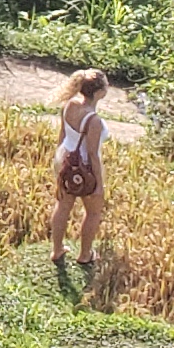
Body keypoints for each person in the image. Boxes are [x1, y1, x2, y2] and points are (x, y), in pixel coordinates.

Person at [49, 69, 112, 286]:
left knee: (62, 206)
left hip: (65, 161)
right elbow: (93, 154)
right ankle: (85, 254)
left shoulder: (70, 105)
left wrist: (58, 164)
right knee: (93, 211)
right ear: (100, 92)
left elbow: (62, 135)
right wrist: (99, 185)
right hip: (84, 169)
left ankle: (57, 250)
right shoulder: (93, 120)